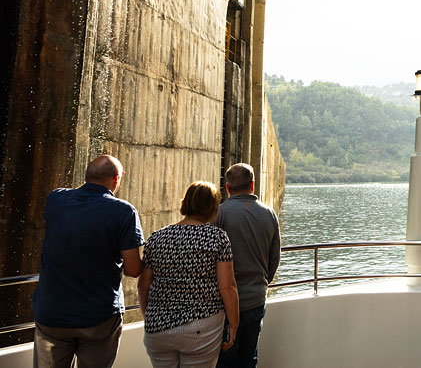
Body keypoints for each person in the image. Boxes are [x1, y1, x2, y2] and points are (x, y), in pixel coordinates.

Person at [32, 154, 144, 368]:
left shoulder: (56, 199)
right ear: (116, 179)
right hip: (98, 317)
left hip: (51, 314)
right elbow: (132, 269)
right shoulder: (123, 212)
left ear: (86, 175)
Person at [138, 181, 240, 368]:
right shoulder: (217, 237)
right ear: (212, 207)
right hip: (201, 327)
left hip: (157, 327)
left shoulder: (157, 237)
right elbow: (227, 287)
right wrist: (233, 325)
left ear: (185, 203)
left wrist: (150, 317)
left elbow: (143, 285)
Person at [215, 163, 281, 368]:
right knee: (249, 358)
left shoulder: (219, 214)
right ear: (253, 185)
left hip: (225, 304)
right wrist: (261, 283)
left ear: (227, 187)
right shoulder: (269, 214)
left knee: (225, 360)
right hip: (256, 299)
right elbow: (274, 259)